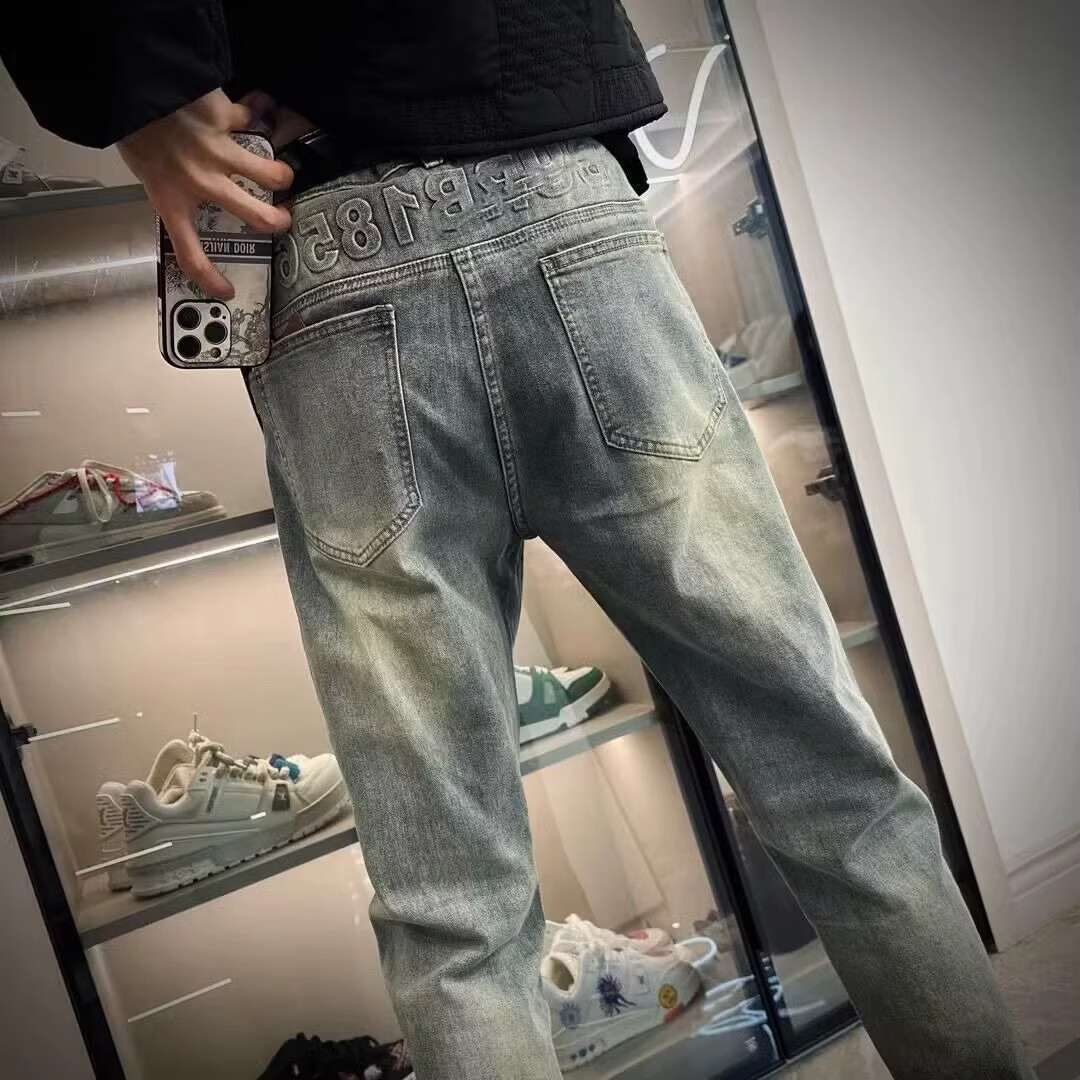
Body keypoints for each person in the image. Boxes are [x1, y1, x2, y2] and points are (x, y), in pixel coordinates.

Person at [4, 4, 1032, 1078]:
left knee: (456, 912)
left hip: (331, 239)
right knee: (836, 791)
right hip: (562, 198)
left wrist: (142, 89)